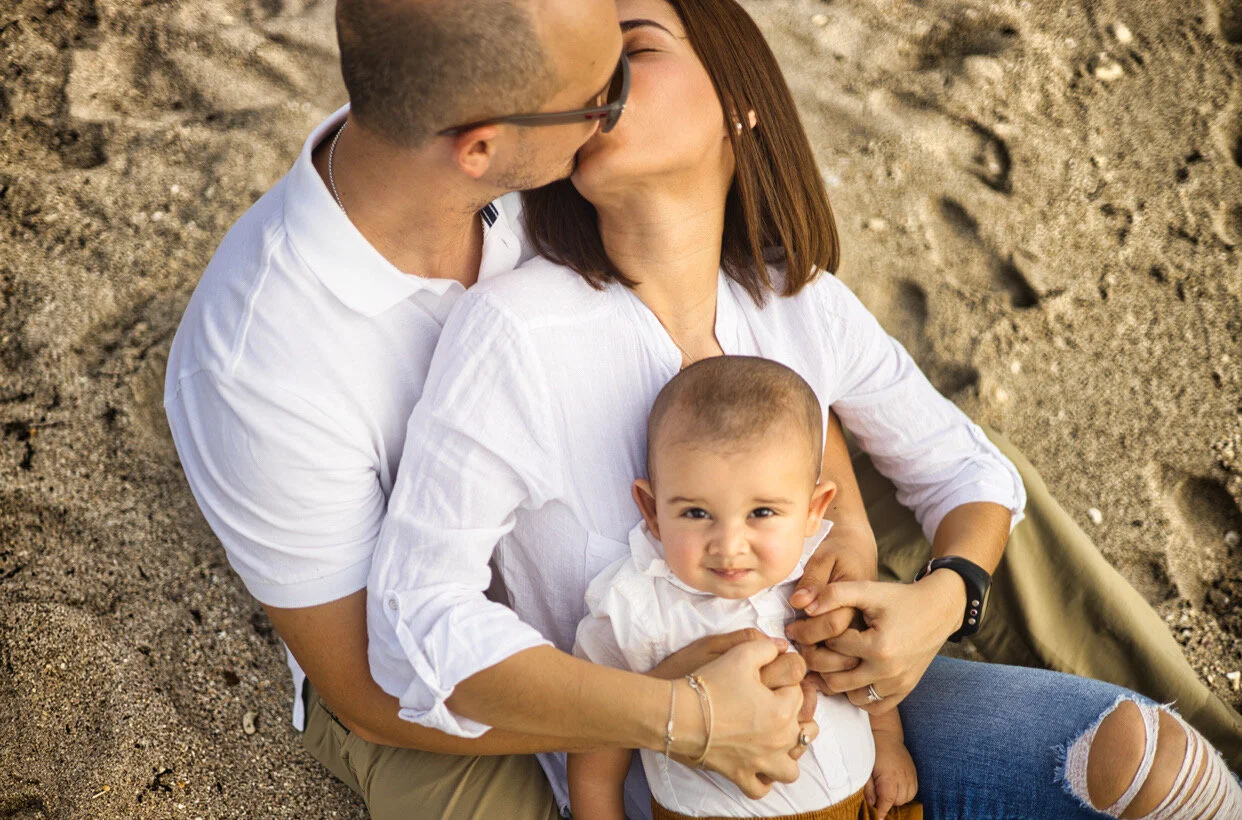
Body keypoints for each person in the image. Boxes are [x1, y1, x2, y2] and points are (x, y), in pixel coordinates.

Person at [365, 0, 1242, 816]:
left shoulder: (795, 300)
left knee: (1149, 754)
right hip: (661, 781)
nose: (601, 82)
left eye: (632, 49)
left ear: (739, 101)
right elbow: (419, 617)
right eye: (583, 72)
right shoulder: (517, 329)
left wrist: (943, 599)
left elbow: (970, 470)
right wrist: (677, 713)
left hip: (854, 737)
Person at [164, 2, 823, 818]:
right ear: (480, 147)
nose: (613, 115)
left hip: (662, 536)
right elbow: (371, 683)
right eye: (600, 96)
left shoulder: (541, 163)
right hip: (424, 694)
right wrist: (678, 715)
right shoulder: (256, 370)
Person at [570, 356, 922, 820]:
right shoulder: (632, 610)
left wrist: (888, 742)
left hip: (862, 805)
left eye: (762, 513)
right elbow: (596, 758)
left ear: (815, 509)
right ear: (652, 510)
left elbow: (862, 670)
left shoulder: (821, 579)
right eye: (696, 513)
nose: (730, 547)